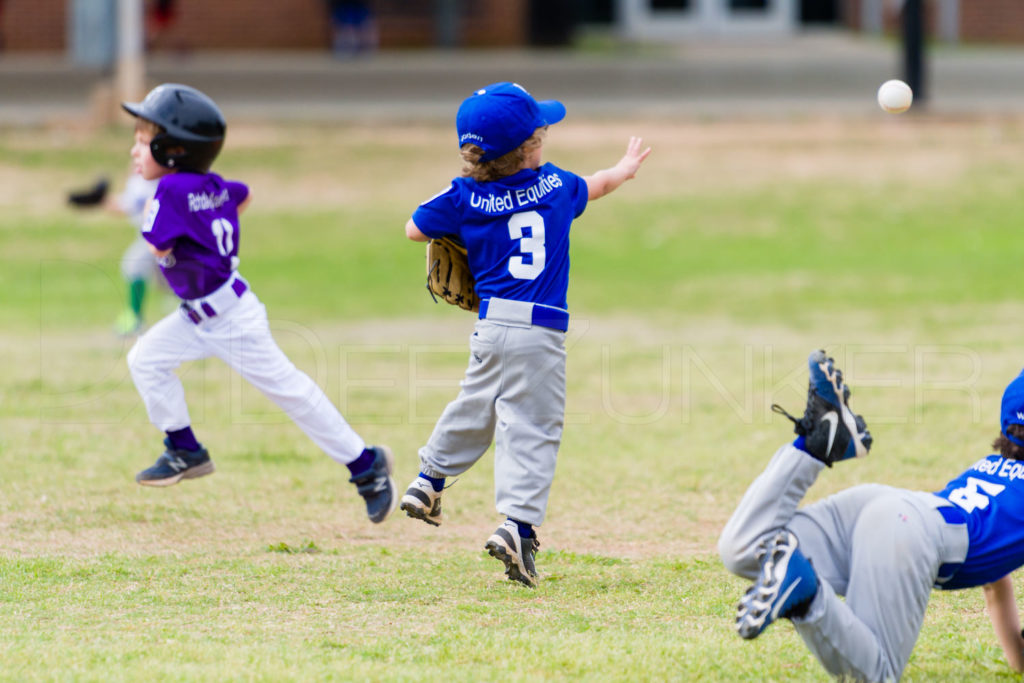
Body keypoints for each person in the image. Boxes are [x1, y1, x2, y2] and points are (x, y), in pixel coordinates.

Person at [399, 81, 650, 586]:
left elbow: (414, 229)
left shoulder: (463, 194)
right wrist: (623, 171)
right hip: (540, 331)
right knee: (532, 427)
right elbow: (596, 185)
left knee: (476, 404)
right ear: (531, 147)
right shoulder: (557, 185)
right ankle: (517, 525)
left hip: (491, 326)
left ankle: (429, 479)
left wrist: (462, 213)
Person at [121, 83, 396, 524]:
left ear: (173, 149)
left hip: (230, 319)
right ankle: (185, 449)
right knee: (145, 360)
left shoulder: (170, 192)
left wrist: (183, 238)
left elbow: (156, 246)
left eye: (141, 141)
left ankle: (368, 467)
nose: (134, 152)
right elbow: (241, 193)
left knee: (292, 393)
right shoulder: (209, 184)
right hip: (200, 313)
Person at [719, 349, 1024, 681]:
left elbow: (996, 584)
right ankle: (806, 595)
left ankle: (815, 445)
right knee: (875, 675)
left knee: (748, 550)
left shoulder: (993, 469)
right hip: (907, 535)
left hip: (884, 506)